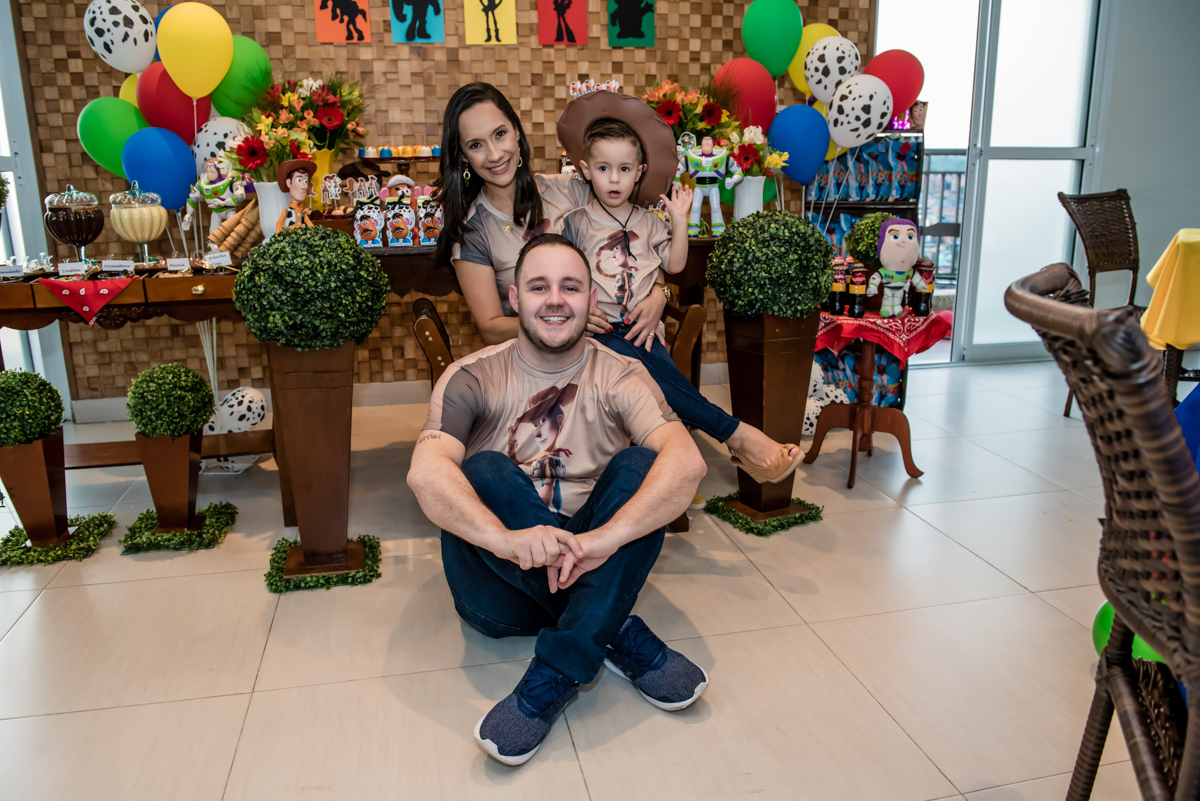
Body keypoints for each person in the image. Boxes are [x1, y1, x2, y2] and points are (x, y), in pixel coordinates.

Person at [408, 233, 709, 767]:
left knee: (643, 465)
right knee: (483, 470)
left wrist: (602, 541)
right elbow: (427, 473)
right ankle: (611, 628)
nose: (555, 300)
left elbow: (687, 463)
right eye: (539, 286)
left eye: (570, 287)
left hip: (594, 560)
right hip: (498, 591)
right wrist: (506, 538)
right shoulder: (472, 376)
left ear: (591, 300)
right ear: (513, 298)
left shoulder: (622, 373)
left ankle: (556, 671)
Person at [559, 113, 803, 483]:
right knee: (660, 379)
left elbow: (675, 265)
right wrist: (578, 314)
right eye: (604, 167)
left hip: (642, 330)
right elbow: (563, 277)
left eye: (624, 168)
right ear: (585, 169)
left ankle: (694, 460)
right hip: (600, 333)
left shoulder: (649, 221)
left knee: (662, 380)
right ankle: (740, 437)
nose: (614, 178)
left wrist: (678, 221)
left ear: (639, 171)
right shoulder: (576, 222)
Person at [433, 82, 668, 350]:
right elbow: (491, 327)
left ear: (516, 131)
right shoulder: (472, 232)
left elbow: (635, 239)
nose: (495, 154)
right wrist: (569, 319)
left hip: (610, 345)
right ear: (463, 156)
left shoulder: (572, 192)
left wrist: (660, 294)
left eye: (500, 134)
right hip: (535, 362)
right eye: (476, 145)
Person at [275, 159, 316, 233]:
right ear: (288, 183)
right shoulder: (287, 212)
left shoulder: (303, 213)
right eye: (299, 180)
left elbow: (311, 226)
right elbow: (279, 224)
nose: (304, 186)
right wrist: (278, 240)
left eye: (305, 181)